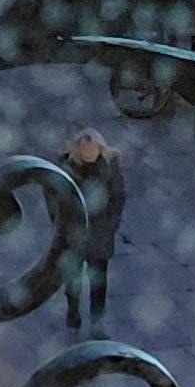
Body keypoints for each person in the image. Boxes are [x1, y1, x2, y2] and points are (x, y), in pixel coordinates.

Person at [61, 127, 125, 328]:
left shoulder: (109, 166)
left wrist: (111, 225)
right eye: (84, 149)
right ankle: (73, 312)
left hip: (100, 233)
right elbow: (55, 197)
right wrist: (61, 223)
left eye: (92, 149)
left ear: (100, 148)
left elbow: (118, 196)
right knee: (73, 277)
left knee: (98, 279)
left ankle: (97, 317)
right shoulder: (67, 166)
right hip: (75, 232)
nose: (88, 153)